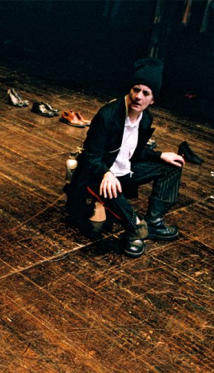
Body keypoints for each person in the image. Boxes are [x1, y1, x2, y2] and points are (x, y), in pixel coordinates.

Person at [65, 58, 200, 258]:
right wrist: (106, 173)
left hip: (125, 172)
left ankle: (153, 223)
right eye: (136, 90)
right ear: (130, 90)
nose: (138, 96)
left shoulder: (146, 119)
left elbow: (133, 152)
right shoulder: (108, 116)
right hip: (97, 175)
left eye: (145, 93)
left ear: (152, 100)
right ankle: (135, 228)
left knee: (173, 166)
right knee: (117, 198)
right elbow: (90, 157)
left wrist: (161, 155)